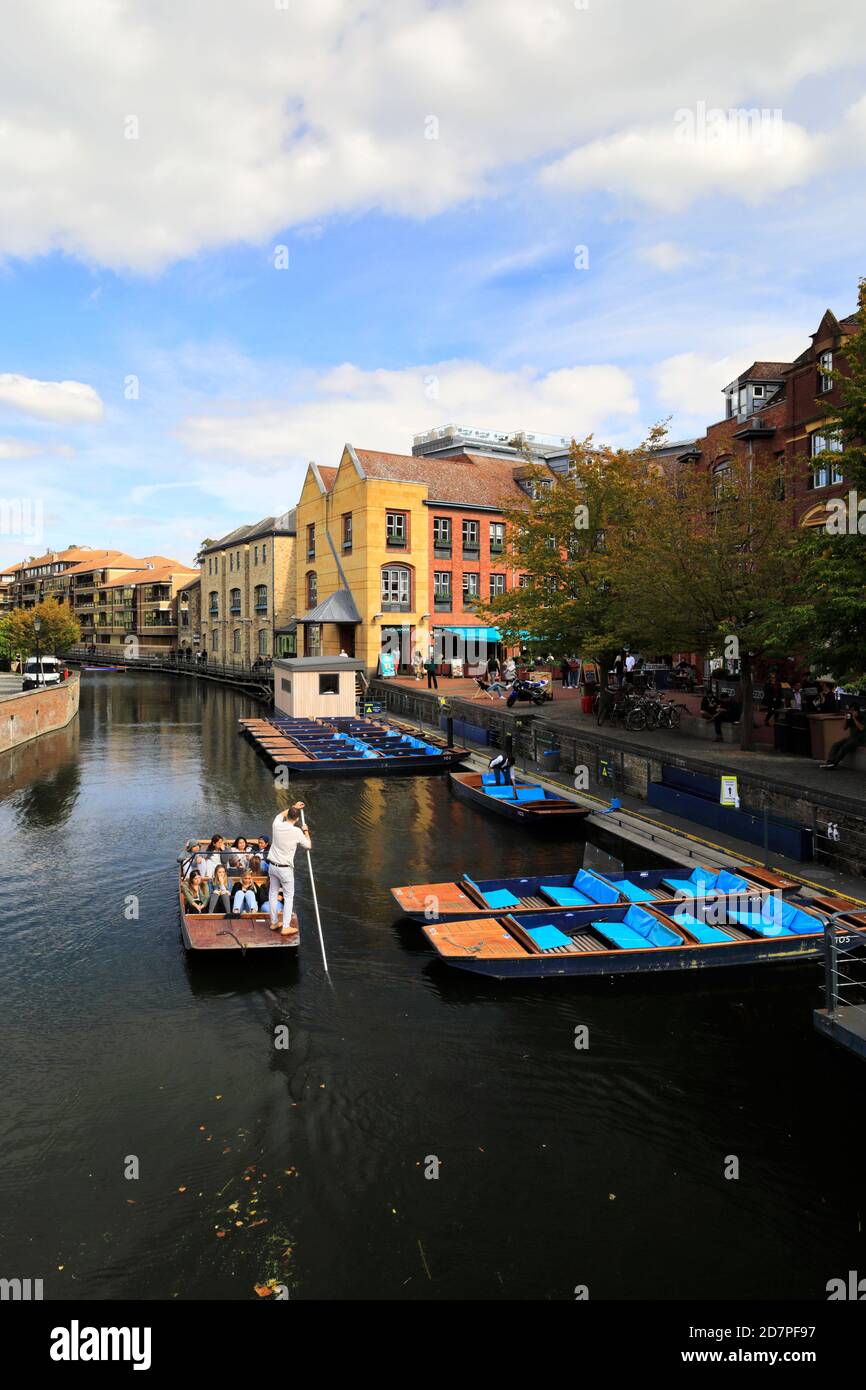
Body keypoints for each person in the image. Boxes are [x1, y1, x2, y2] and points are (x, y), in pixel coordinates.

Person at [268, 802, 312, 936]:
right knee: (288, 896)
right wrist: (306, 830)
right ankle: (285, 927)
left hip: (272, 866)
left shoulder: (276, 824)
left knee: (272, 894)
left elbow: (281, 814)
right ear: (297, 819)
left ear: (287, 816)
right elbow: (308, 845)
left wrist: (294, 806)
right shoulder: (297, 831)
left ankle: (274, 922)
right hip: (285, 869)